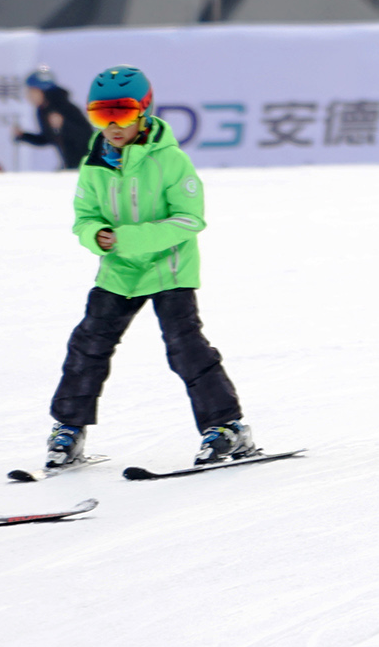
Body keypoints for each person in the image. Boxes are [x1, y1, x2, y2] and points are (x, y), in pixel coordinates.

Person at [42, 66, 253, 470]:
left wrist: (126, 239)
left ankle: (227, 427)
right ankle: (68, 429)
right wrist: (96, 234)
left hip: (168, 268)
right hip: (119, 272)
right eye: (101, 115)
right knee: (88, 345)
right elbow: (84, 217)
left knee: (184, 347)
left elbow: (190, 219)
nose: (113, 126)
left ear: (144, 111)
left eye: (122, 113)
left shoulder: (170, 160)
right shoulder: (94, 163)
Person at [18, 66, 91, 171]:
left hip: (85, 165)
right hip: (69, 166)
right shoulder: (43, 111)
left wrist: (64, 124)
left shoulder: (65, 107)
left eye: (32, 91)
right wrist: (23, 136)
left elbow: (86, 136)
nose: (28, 95)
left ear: (42, 91)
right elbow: (48, 138)